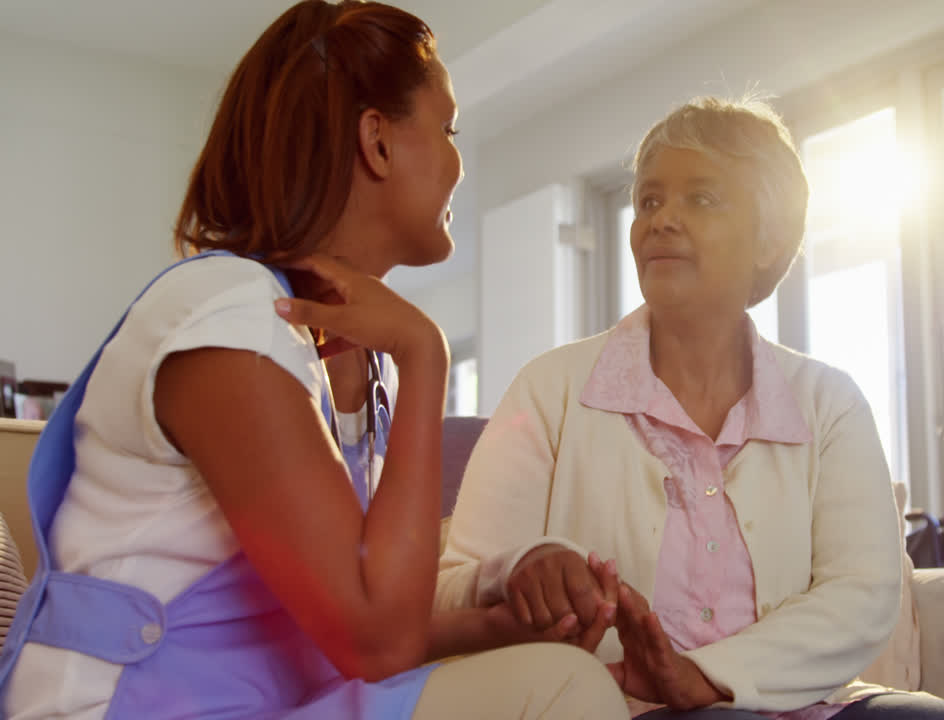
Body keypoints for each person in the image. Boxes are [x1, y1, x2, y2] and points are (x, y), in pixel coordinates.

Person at [0, 2, 628, 718]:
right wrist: (427, 357)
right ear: (378, 142)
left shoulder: (356, 364)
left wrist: (493, 628)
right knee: (561, 690)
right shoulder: (228, 318)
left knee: (553, 670)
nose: (459, 162)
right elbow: (374, 640)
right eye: (447, 129)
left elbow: (340, 622)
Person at [437, 96, 944, 719]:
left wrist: (705, 676)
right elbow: (451, 586)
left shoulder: (830, 403)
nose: (661, 220)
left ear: (769, 240)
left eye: (700, 199)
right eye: (649, 201)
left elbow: (862, 594)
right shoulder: (549, 390)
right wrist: (521, 566)